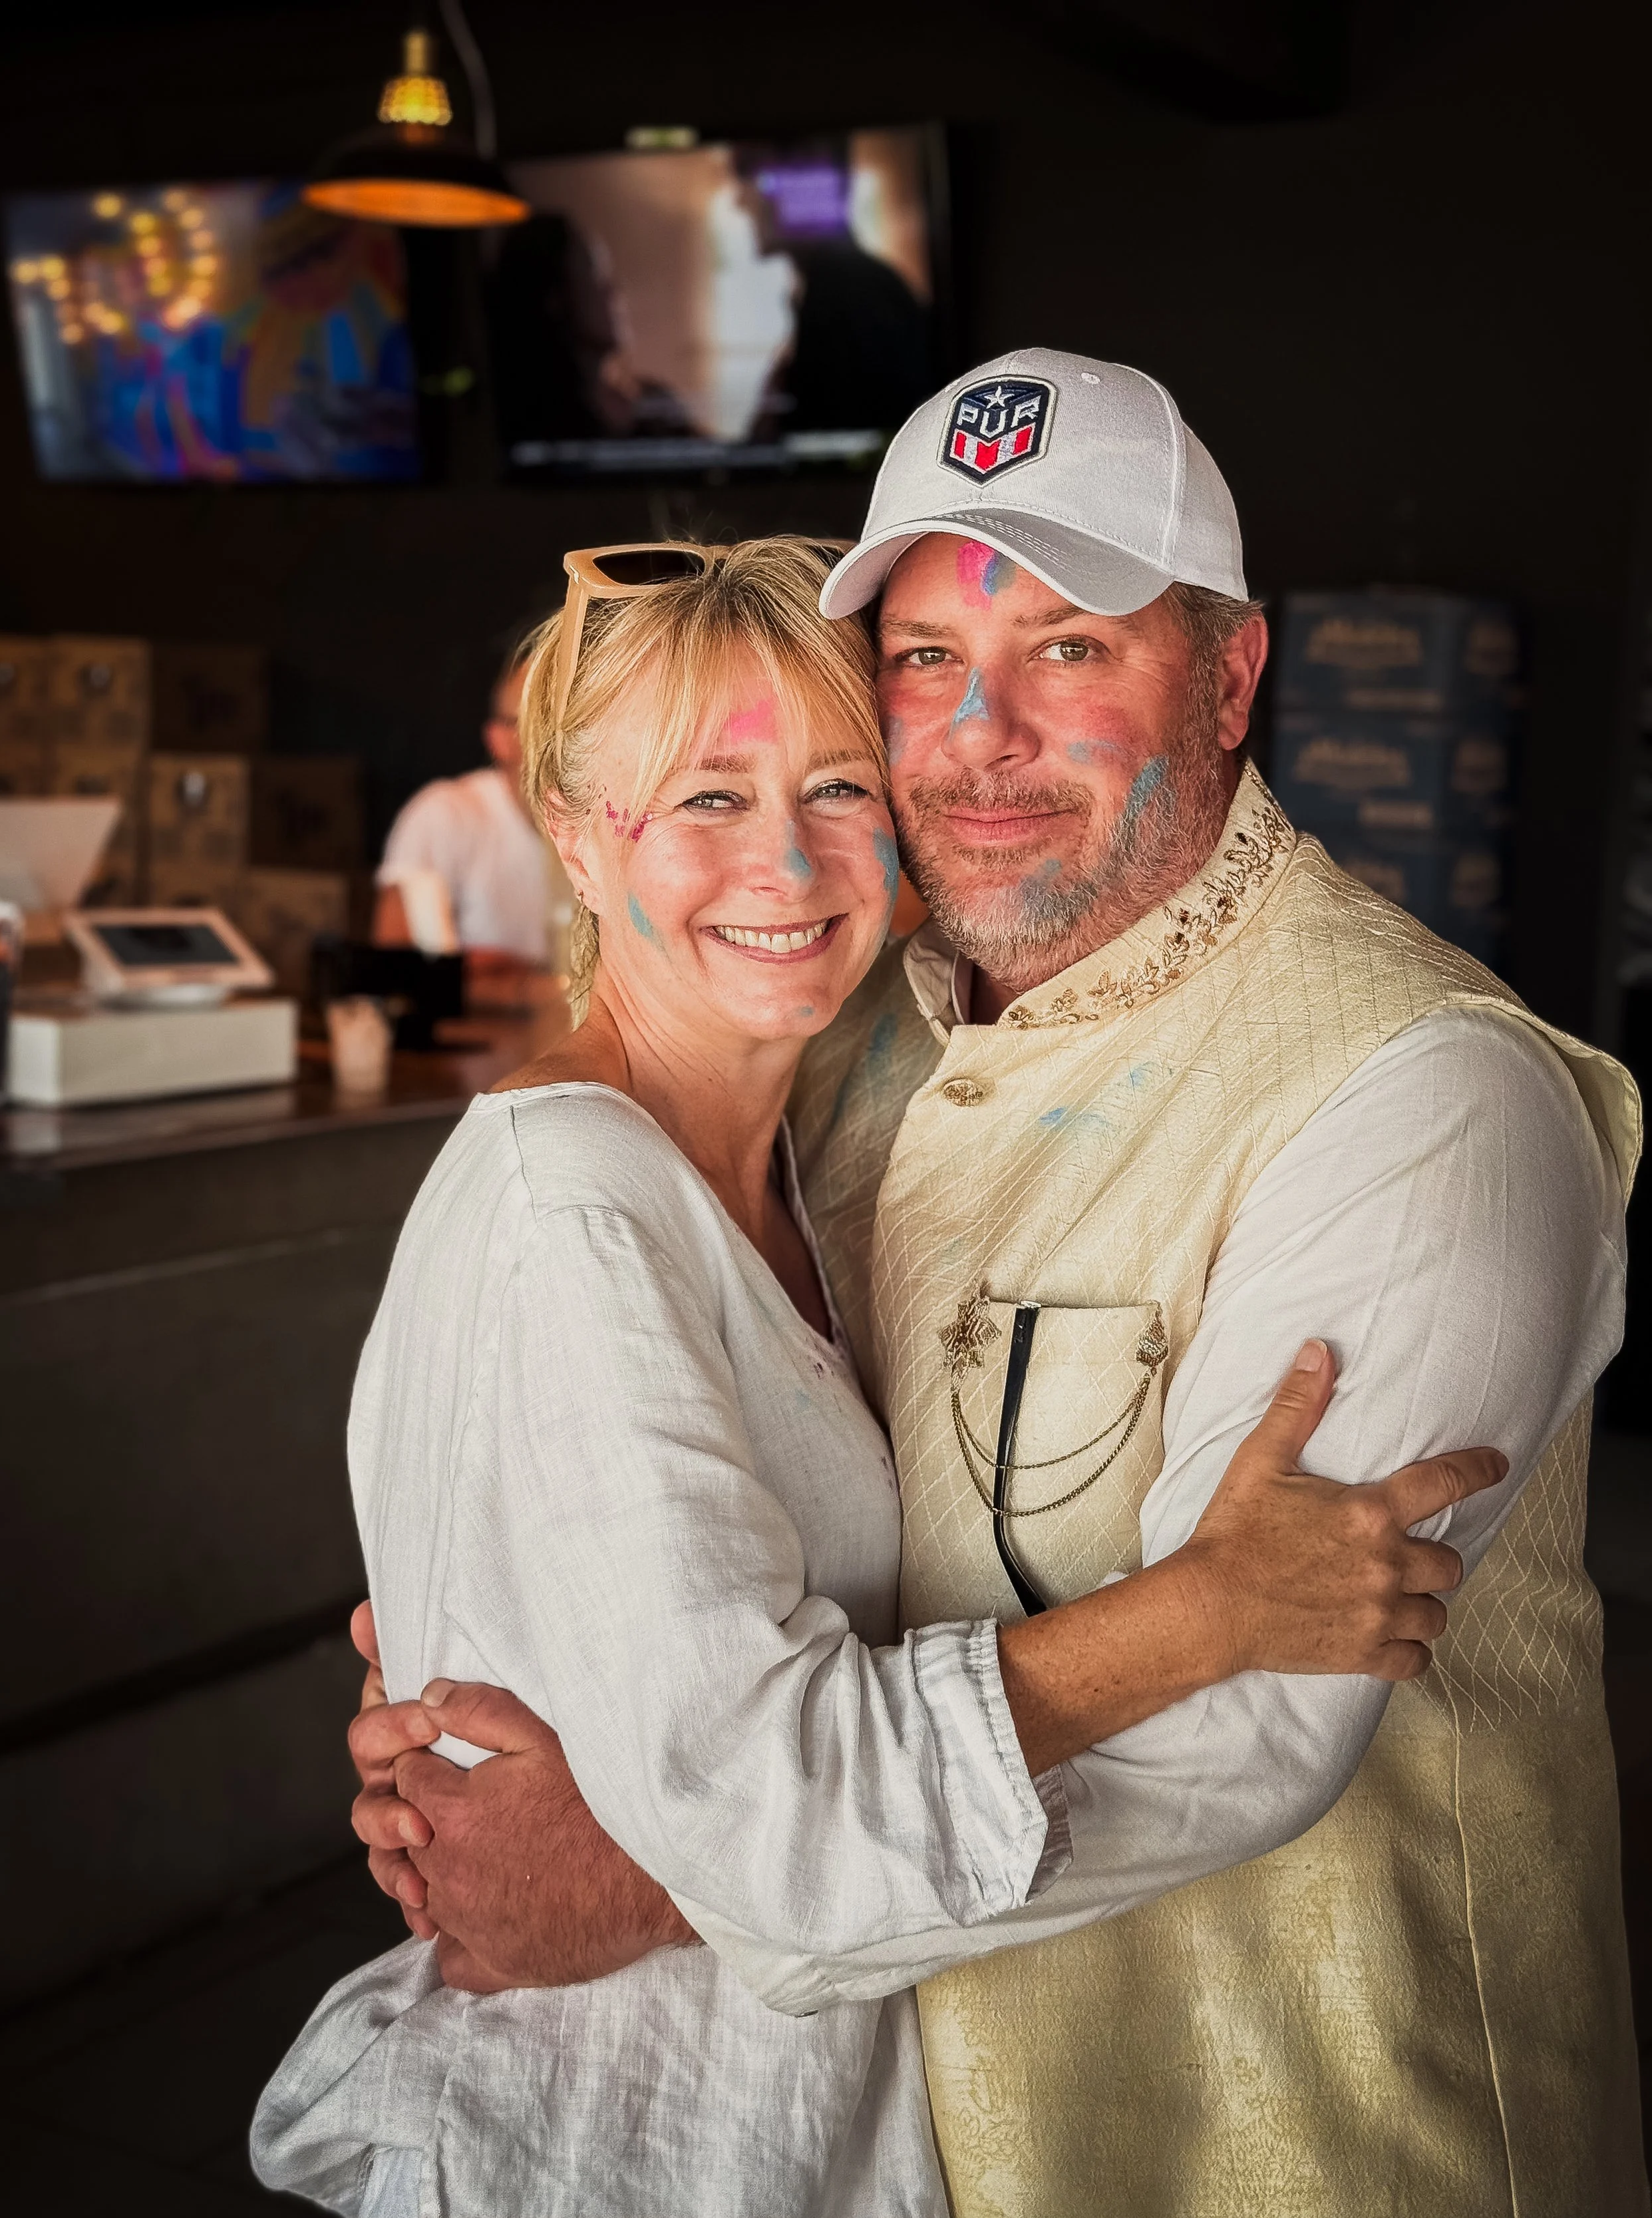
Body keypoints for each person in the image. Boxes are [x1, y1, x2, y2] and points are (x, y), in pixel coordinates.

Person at [344, 357, 1644, 2217]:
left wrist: (646, 1860)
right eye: (929, 661)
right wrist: (523, 1607)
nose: (976, 736)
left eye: (1069, 649)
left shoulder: (1421, 1095)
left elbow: (1247, 1723)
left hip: (1297, 2124)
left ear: (1227, 673)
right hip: (918, 2116)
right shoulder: (860, 1032)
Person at [373, 649, 573, 973]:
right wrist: (528, 983)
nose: (558, 738)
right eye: (539, 720)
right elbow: (400, 968)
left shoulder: (608, 827)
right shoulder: (444, 815)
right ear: (498, 739)